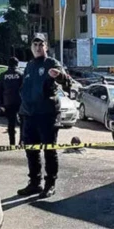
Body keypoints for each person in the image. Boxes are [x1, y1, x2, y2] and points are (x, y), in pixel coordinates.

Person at [17, 33, 70, 199]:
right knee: (31, 151)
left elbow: (67, 81)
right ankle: (34, 183)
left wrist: (59, 76)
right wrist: (22, 114)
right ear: (31, 47)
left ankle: (50, 184)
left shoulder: (51, 63)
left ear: (46, 46)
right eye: (35, 45)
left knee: (49, 150)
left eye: (41, 45)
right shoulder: (29, 65)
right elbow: (25, 90)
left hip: (47, 115)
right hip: (29, 115)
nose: (38, 48)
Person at [0, 57, 24, 145]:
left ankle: (12, 143)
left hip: (8, 102)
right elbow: (25, 89)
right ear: (17, 64)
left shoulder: (3, 75)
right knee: (22, 123)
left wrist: (1, 104)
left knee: (11, 124)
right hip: (20, 102)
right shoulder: (20, 74)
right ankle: (21, 141)